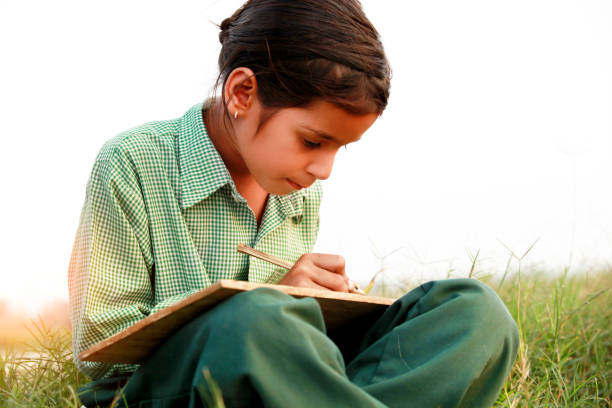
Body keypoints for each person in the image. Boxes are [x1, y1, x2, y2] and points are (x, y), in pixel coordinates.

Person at [68, 0, 519, 406]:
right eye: (313, 141)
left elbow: (286, 337)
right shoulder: (134, 161)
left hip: (279, 377)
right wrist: (273, 300)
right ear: (242, 93)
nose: (324, 170)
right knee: (259, 322)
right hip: (167, 387)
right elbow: (101, 346)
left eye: (340, 148)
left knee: (473, 311)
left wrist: (322, 309)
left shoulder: (297, 188)